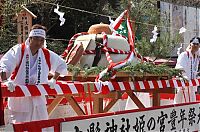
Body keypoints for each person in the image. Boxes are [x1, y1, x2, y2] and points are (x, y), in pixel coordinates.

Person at [0, 24, 68, 123]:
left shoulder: (46, 54)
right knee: (19, 127)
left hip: (39, 100)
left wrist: (54, 79)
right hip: (20, 100)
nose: (38, 42)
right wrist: (6, 80)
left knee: (41, 126)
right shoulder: (19, 50)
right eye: (36, 39)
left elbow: (62, 65)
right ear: (30, 38)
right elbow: (4, 64)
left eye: (41, 40)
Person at [174, 37, 200, 104]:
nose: (195, 46)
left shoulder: (197, 56)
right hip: (184, 85)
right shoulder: (184, 55)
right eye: (194, 44)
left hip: (192, 85)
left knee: (191, 104)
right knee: (181, 103)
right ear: (190, 44)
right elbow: (179, 68)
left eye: (197, 44)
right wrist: (185, 79)